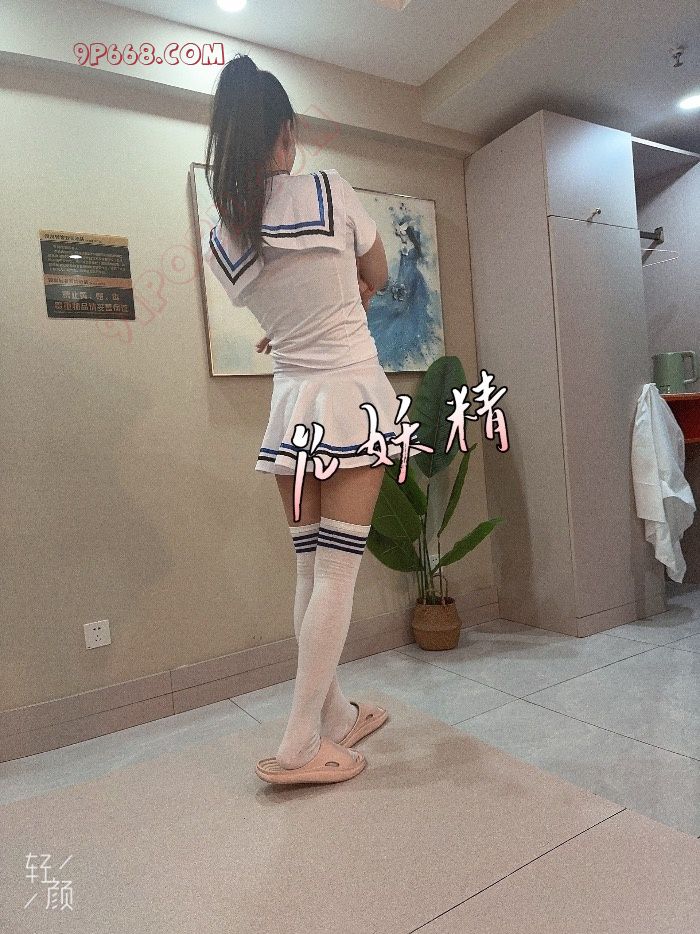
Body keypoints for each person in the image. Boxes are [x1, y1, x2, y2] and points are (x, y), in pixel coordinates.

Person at [204, 53, 419, 786]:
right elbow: (378, 275)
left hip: (292, 410)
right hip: (351, 399)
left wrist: (299, 322)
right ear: (286, 133)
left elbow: (280, 308)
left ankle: (335, 714)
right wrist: (353, 291)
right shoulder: (330, 191)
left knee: (310, 568)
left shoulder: (226, 234)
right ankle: (300, 743)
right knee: (336, 572)